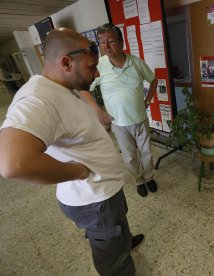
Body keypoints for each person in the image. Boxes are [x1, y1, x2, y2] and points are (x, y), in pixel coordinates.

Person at [0, 28, 143, 276]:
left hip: (105, 190)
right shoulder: (38, 99)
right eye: (92, 67)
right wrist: (75, 171)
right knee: (110, 252)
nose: (97, 73)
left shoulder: (63, 86)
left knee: (118, 227)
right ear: (66, 63)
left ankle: (124, 242)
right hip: (94, 198)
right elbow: (13, 163)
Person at [80, 23, 158, 198]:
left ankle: (149, 176)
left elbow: (153, 80)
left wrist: (148, 100)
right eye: (101, 42)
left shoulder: (136, 63)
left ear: (122, 42)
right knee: (130, 156)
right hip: (118, 123)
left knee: (146, 152)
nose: (105, 46)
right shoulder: (99, 66)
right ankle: (139, 180)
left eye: (110, 41)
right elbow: (84, 90)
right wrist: (98, 110)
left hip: (140, 118)